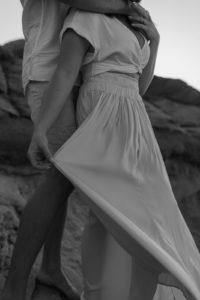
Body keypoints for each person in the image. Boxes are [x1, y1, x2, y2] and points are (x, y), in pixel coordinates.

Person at [22, 1, 200, 300]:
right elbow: (65, 74)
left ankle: (114, 292)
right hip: (103, 112)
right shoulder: (85, 15)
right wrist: (40, 129)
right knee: (118, 207)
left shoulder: (135, 26)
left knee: (138, 207)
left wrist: (154, 41)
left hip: (134, 119)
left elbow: (138, 85)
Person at [0, 1, 142, 300]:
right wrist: (125, 5)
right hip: (48, 70)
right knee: (62, 175)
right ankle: (14, 288)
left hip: (77, 70)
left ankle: (50, 268)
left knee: (62, 177)